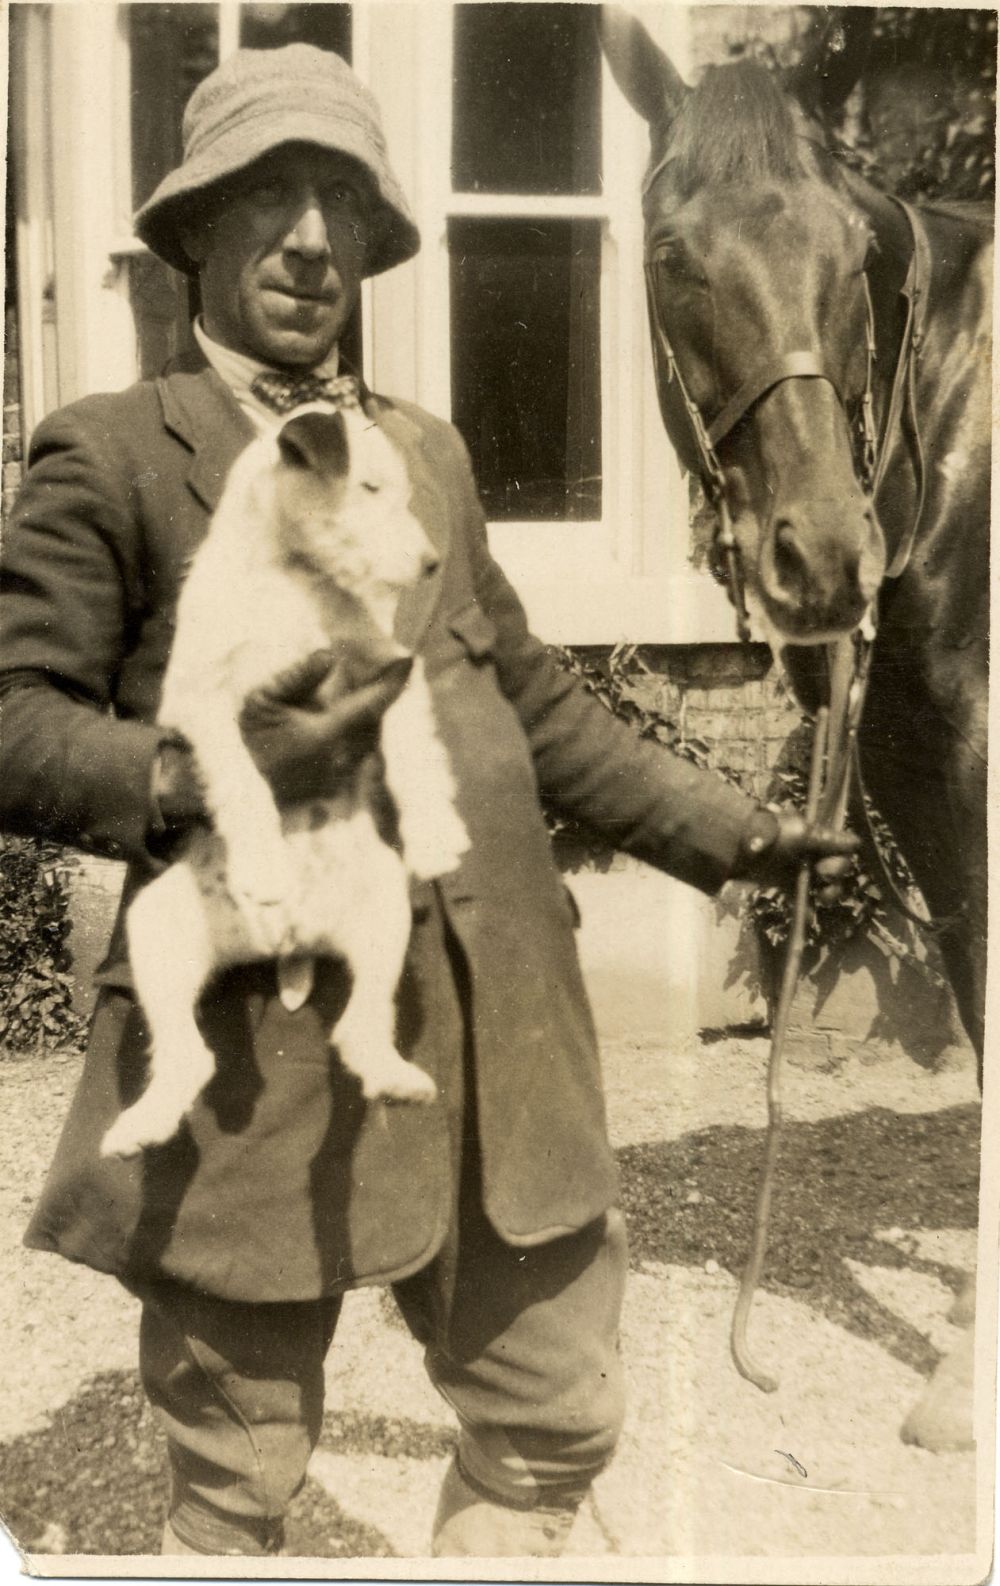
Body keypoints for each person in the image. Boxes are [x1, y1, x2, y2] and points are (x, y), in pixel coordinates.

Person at [0, 44, 854, 1559]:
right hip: (255, 1059)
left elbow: (531, 697)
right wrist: (194, 771)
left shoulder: (427, 455)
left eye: (343, 204)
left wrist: (730, 830)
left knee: (552, 1410)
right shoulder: (120, 454)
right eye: (273, 199)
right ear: (194, 231)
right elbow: (12, 720)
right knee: (237, 1452)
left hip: (493, 1022)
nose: (315, 240)